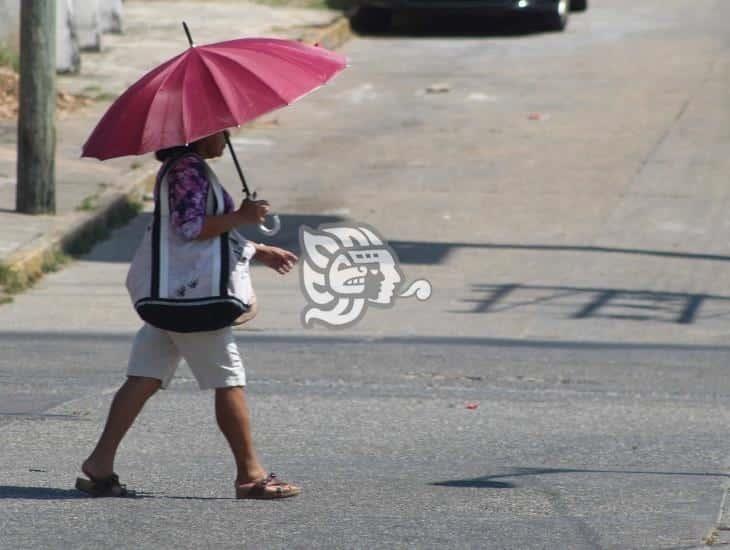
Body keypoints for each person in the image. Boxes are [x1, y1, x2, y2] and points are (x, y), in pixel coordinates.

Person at [76, 130, 301, 499]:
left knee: (144, 377)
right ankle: (250, 475)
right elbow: (192, 228)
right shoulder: (187, 171)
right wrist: (241, 216)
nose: (226, 139)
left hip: (173, 295)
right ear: (200, 134)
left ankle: (100, 463)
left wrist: (256, 249)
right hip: (194, 298)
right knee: (229, 380)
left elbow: (204, 232)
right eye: (221, 132)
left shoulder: (186, 168)